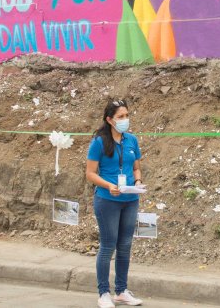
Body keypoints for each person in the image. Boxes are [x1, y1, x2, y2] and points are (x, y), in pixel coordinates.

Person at [86, 100, 145, 308]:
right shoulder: (99, 142)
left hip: (130, 200)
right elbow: (90, 174)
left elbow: (136, 168)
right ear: (110, 120)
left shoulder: (132, 140)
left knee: (125, 246)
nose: (125, 120)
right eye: (120, 117)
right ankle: (103, 293)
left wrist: (137, 181)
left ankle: (121, 291)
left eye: (127, 115)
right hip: (107, 200)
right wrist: (109, 185)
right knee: (108, 245)